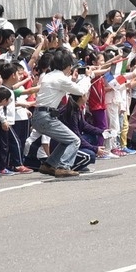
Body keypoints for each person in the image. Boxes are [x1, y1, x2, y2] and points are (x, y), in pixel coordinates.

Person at [30, 49, 94, 178]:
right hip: (46, 116)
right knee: (74, 140)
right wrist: (88, 77)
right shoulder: (60, 79)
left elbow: (66, 85)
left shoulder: (49, 75)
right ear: (67, 66)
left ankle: (49, 164)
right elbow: (80, 90)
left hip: (40, 115)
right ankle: (63, 166)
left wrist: (74, 78)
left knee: (66, 140)